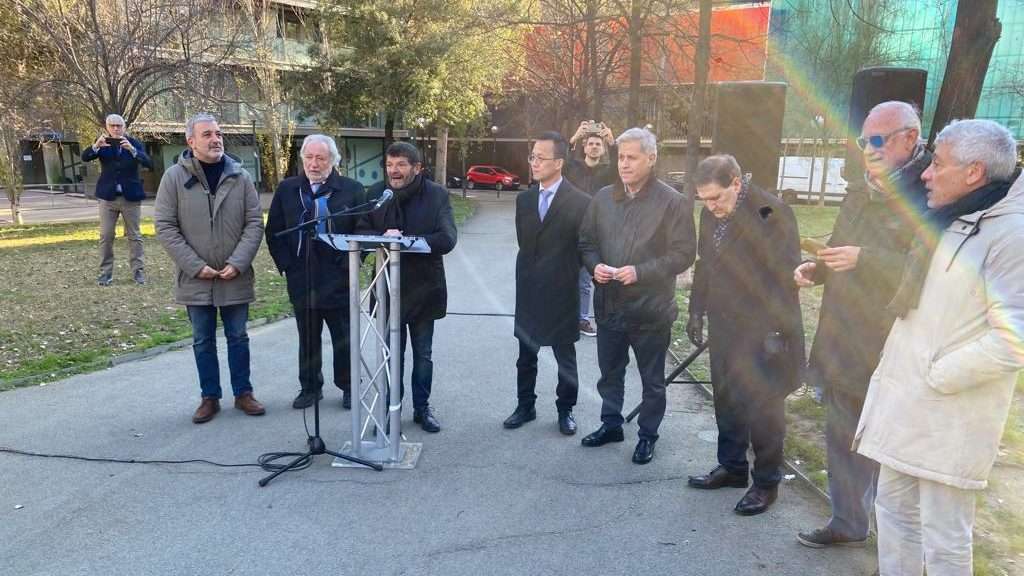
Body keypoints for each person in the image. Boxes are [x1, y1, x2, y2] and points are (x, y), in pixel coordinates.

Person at [854, 119, 1023, 576]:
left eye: (939, 165)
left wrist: (938, 374)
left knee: (945, 538)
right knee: (894, 513)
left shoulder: (1011, 234)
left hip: (950, 413)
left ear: (973, 173)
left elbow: (1015, 338)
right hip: (907, 402)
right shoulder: (951, 218)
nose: (926, 173)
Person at [794, 101, 931, 548]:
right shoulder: (861, 187)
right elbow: (839, 245)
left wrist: (864, 259)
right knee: (841, 431)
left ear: (909, 139)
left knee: (886, 446)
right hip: (842, 332)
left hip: (888, 338)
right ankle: (847, 521)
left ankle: (895, 542)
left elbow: (929, 269)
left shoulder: (929, 193)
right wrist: (818, 268)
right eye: (863, 141)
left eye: (877, 140)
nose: (867, 150)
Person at [685, 155, 803, 516]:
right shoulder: (710, 213)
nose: (711, 207)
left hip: (762, 327)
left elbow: (786, 277)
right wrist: (695, 309)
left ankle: (766, 482)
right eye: (704, 199)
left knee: (764, 408)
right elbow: (706, 263)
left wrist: (777, 332)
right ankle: (733, 466)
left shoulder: (771, 211)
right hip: (724, 323)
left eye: (716, 197)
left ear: (736, 182)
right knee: (727, 396)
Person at [578, 127, 696, 464]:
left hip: (650, 309)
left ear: (651, 158)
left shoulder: (672, 202)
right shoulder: (603, 198)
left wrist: (640, 271)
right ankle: (611, 423)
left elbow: (684, 253)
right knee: (610, 373)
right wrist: (595, 265)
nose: (624, 164)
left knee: (651, 381)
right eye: (621, 157)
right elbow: (586, 242)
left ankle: (647, 435)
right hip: (609, 304)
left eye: (632, 158)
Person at [154, 113, 265, 424]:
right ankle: (209, 397)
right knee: (203, 340)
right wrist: (195, 266)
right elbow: (165, 226)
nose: (215, 139)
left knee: (238, 337)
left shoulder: (240, 177)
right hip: (196, 279)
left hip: (234, 277)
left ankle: (243, 393)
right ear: (191, 141)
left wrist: (238, 262)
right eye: (207, 134)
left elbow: (254, 223)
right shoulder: (174, 178)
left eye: (218, 133)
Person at [362, 142, 457, 433]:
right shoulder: (377, 194)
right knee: (391, 355)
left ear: (417, 168)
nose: (394, 171)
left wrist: (406, 242)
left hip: (424, 289)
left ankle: (422, 409)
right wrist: (381, 236)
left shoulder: (437, 195)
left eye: (401, 165)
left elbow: (447, 238)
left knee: (422, 354)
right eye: (390, 165)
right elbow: (361, 231)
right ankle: (391, 410)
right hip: (387, 289)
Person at [266, 135, 364, 411]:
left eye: (320, 158)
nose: (314, 164)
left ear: (333, 161)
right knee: (307, 336)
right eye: (308, 157)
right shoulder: (288, 189)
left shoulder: (352, 190)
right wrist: (288, 265)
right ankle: (310, 387)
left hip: (339, 278)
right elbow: (274, 231)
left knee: (343, 336)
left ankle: (348, 387)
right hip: (302, 277)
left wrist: (351, 264)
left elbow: (364, 230)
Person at [505, 131, 591, 436]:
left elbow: (584, 248)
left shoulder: (581, 202)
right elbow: (524, 241)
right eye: (532, 156)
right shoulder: (524, 199)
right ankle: (524, 405)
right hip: (528, 288)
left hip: (562, 289)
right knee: (525, 355)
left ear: (559, 162)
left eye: (540, 157)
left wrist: (563, 271)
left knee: (564, 356)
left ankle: (565, 409)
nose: (534, 163)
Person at [81, 113, 153, 286]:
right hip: (108, 198)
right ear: (107, 127)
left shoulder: (134, 143)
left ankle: (138, 272)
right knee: (106, 236)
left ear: (124, 127)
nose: (115, 129)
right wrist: (96, 146)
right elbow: (85, 157)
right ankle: (106, 274)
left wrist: (133, 151)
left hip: (131, 198)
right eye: (112, 126)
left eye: (119, 126)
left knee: (135, 237)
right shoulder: (103, 143)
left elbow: (149, 163)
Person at [566, 120, 618, 338]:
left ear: (602, 148)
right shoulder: (574, 167)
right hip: (573, 229)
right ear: (585, 147)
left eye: (598, 144)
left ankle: (585, 319)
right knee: (571, 277)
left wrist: (612, 142)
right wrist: (574, 138)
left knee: (590, 277)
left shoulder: (607, 171)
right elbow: (562, 161)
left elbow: (618, 166)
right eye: (591, 143)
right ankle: (572, 317)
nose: (595, 147)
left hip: (598, 231)